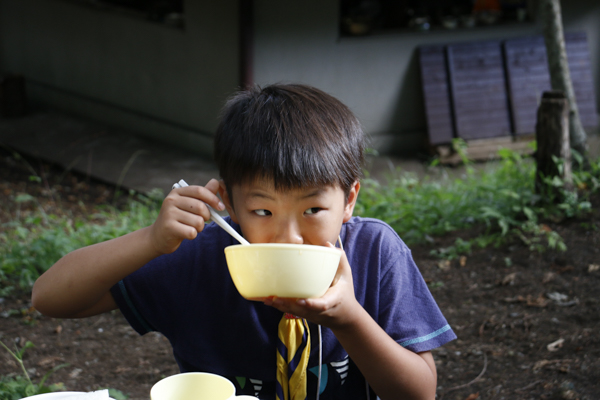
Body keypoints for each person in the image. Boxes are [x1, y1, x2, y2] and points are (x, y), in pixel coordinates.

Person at [32, 84, 456, 400]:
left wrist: (348, 319)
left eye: (312, 211)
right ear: (229, 205)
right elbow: (49, 298)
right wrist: (151, 240)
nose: (289, 237)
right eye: (263, 212)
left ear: (348, 200)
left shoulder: (374, 252)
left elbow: (419, 393)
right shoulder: (197, 258)